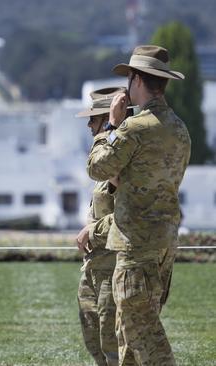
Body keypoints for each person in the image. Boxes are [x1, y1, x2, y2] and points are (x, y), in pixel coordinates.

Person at [86, 45, 191, 365]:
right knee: (127, 331)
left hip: (136, 242)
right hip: (164, 241)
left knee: (139, 326)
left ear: (136, 80)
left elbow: (97, 168)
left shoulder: (134, 128)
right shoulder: (179, 129)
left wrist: (110, 126)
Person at [75, 87, 129, 366]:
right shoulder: (105, 163)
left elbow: (133, 210)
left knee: (115, 347)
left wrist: (92, 231)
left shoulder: (127, 160)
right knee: (95, 344)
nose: (89, 126)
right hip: (95, 266)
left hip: (115, 268)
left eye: (95, 120)